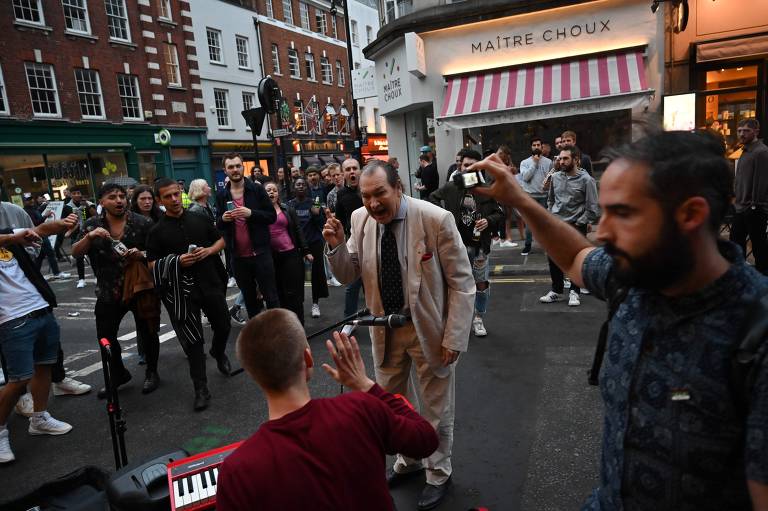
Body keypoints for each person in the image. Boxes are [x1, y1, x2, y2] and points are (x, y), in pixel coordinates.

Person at [471, 129, 768, 510]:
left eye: (624, 213)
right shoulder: (635, 275)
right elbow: (578, 259)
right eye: (605, 211)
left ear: (691, 214)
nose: (604, 232)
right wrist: (518, 199)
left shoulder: (756, 333)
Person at [324, 161, 475, 510]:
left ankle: (439, 473)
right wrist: (335, 247)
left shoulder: (436, 219)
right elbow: (349, 275)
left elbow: (463, 283)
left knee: (436, 409)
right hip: (384, 331)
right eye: (366, 196)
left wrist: (454, 336)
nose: (373, 203)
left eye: (380, 193)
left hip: (429, 331)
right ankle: (409, 462)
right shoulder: (360, 220)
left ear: (398, 187)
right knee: (392, 406)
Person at [216, 311, 439, 511]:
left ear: (255, 375)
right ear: (308, 358)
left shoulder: (238, 471)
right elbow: (426, 440)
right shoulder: (362, 409)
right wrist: (367, 386)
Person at [0, 208, 81, 463]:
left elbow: (40, 230)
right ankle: (0, 432)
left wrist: (63, 223)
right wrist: (14, 238)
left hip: (39, 308)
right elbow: (16, 237)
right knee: (18, 379)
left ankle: (39, 417)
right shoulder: (7, 239)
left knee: (44, 366)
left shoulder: (6, 236)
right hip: (10, 319)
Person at [147, 178, 232, 411]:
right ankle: (201, 388)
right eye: (168, 196)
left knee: (223, 325)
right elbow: (151, 264)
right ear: (159, 200)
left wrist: (209, 251)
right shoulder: (156, 230)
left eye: (176, 194)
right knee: (193, 341)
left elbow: (221, 240)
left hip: (210, 281)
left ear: (181, 192)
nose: (174, 199)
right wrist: (176, 261)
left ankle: (218, 350)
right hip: (181, 291)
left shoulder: (199, 218)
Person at [72, 183, 161, 396]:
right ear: (101, 201)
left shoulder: (142, 223)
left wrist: (141, 253)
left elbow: (158, 253)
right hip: (108, 291)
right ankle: (118, 373)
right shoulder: (92, 224)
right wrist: (89, 237)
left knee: (148, 332)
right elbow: (76, 252)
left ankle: (152, 372)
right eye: (113, 197)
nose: (119, 200)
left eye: (122, 196)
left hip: (139, 288)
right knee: (105, 336)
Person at [430, 148, 503, 337]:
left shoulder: (486, 188)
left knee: (480, 283)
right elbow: (432, 198)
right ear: (459, 167)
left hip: (480, 246)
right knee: (455, 285)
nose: (468, 169)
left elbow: (499, 213)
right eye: (465, 165)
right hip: (456, 245)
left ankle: (478, 318)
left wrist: (489, 221)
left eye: (472, 165)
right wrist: (444, 218)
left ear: (479, 168)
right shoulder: (453, 186)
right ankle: (455, 321)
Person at [215, 153, 279, 318]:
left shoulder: (256, 190)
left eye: (237, 166)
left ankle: (276, 334)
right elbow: (219, 225)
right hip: (238, 258)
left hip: (261, 254)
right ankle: (257, 337)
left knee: (271, 298)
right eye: (231, 167)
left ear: (243, 166)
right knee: (250, 301)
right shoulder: (222, 195)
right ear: (225, 170)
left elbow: (271, 216)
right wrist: (222, 219)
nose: (235, 170)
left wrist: (251, 213)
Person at [539, 146, 599, 307]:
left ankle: (574, 291)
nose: (561, 161)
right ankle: (557, 291)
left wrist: (580, 222)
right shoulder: (556, 177)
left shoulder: (587, 180)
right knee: (553, 258)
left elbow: (593, 208)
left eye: (566, 158)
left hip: (575, 225)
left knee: (574, 259)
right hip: (556, 224)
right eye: (560, 158)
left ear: (576, 160)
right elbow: (550, 200)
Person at [264, 182, 312, 324]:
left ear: (278, 193)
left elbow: (298, 230)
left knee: (294, 294)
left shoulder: (287, 209)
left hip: (290, 255)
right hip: (272, 257)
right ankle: (285, 326)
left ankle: (299, 324)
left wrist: (306, 251)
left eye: (274, 190)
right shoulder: (260, 213)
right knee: (278, 293)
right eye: (268, 190)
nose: (271, 193)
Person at [731, 119, 768, 275]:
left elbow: (762, 181)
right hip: (741, 206)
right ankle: (740, 275)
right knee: (736, 244)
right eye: (739, 130)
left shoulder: (761, 151)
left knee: (758, 246)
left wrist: (754, 205)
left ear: (756, 131)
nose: (741, 134)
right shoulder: (745, 150)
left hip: (754, 208)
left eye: (745, 131)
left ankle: (763, 279)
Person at [288, 178, 328, 318]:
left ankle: (315, 304)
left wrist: (317, 215)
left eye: (303, 184)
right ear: (294, 187)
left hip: (314, 243)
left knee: (316, 275)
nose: (300, 186)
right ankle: (298, 304)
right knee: (296, 276)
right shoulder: (289, 205)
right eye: (297, 184)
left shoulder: (313, 203)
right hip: (297, 245)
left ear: (307, 188)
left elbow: (322, 224)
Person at [334, 158, 364, 317]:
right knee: (352, 285)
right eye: (348, 169)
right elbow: (339, 219)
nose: (352, 171)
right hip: (354, 244)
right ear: (344, 174)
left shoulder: (369, 189)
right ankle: (349, 320)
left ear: (360, 170)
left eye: (355, 168)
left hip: (375, 241)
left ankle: (379, 317)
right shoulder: (341, 194)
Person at [22, 193, 69, 280]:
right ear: (24, 202)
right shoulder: (27, 211)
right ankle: (56, 273)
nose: (31, 201)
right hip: (38, 235)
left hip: (39, 235)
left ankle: (34, 275)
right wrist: (45, 216)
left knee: (40, 257)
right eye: (28, 200)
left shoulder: (34, 209)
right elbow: (35, 223)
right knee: (50, 253)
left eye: (31, 199)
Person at [519, 138, 553, 256]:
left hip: (544, 196)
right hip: (530, 196)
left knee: (545, 223)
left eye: (539, 144)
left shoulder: (548, 162)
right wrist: (534, 162)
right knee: (529, 223)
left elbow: (551, 178)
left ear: (542, 146)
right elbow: (526, 178)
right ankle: (528, 246)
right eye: (534, 145)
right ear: (531, 147)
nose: (536, 146)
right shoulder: (524, 162)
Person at [64, 188, 94, 289]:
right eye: (74, 193)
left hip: (90, 233)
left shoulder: (88, 203)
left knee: (93, 256)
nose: (77, 195)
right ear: (70, 195)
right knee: (79, 257)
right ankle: (81, 279)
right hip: (76, 235)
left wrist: (87, 206)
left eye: (78, 193)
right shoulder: (67, 207)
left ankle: (97, 276)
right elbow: (65, 221)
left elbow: (96, 215)